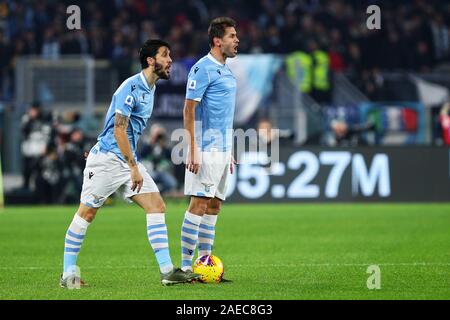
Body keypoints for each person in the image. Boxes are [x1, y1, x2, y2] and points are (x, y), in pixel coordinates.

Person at [60, 39, 199, 288]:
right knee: (87, 213)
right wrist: (134, 166)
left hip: (126, 160)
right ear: (150, 60)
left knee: (156, 205)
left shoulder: (151, 88)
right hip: (107, 160)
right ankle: (68, 274)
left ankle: (167, 271)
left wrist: (132, 164)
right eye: (165, 55)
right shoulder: (130, 87)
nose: (170, 61)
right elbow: (119, 131)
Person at [179, 17, 238, 281]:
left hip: (222, 150)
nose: (237, 41)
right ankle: (185, 267)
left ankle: (206, 265)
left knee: (214, 206)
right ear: (217, 41)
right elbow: (188, 109)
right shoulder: (202, 69)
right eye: (232, 36)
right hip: (205, 148)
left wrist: (230, 150)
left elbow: (225, 115)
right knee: (198, 204)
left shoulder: (226, 70)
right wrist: (192, 148)